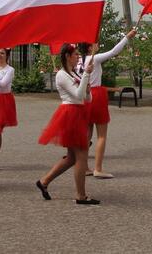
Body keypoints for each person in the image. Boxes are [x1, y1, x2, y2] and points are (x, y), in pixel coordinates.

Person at [36, 43, 100, 205]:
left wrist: (87, 87)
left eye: (78, 54)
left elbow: (87, 98)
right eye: (75, 54)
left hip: (77, 113)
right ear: (67, 56)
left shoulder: (73, 74)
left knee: (72, 157)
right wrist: (86, 76)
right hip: (70, 115)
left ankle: (44, 181)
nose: (78, 57)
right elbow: (77, 95)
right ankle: (80, 195)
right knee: (81, 157)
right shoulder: (62, 75)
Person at [77, 28, 136, 179]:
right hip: (96, 94)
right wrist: (127, 37)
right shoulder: (93, 59)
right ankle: (98, 168)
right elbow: (114, 51)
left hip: (84, 94)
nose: (97, 44)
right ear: (89, 47)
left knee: (87, 134)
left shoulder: (79, 61)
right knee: (101, 135)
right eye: (94, 43)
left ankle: (84, 167)